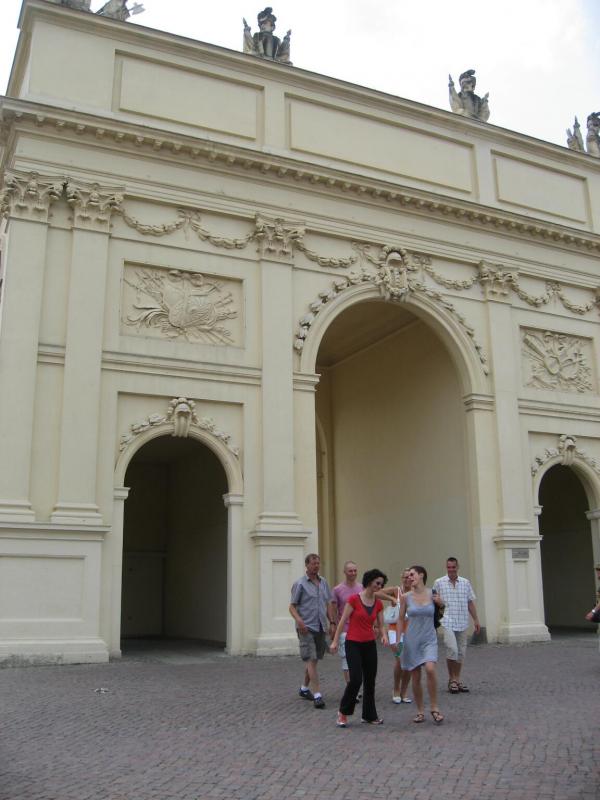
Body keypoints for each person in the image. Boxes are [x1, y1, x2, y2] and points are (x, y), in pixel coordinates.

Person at [330, 569, 389, 727]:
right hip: (353, 643)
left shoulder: (378, 603)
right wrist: (335, 641)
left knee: (370, 681)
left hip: (369, 644)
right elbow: (342, 621)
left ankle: (369, 715)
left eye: (382, 584)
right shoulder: (354, 599)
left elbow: (381, 624)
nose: (379, 586)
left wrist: (384, 635)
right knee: (356, 679)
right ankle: (343, 712)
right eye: (377, 583)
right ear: (369, 581)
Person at [289, 553, 336, 709]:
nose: (316, 566)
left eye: (318, 563)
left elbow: (328, 603)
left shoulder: (323, 582)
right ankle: (317, 695)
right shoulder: (300, 584)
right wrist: (299, 621)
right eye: (313, 563)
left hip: (321, 626)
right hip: (306, 628)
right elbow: (292, 607)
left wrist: (332, 622)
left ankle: (304, 689)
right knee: (311, 658)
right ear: (307, 565)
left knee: (314, 661)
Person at [399, 565, 444, 724]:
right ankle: (420, 711)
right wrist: (399, 639)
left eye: (412, 574)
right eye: (408, 576)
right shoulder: (405, 597)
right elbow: (400, 619)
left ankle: (434, 707)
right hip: (412, 639)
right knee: (416, 676)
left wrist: (441, 603)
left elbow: (441, 612)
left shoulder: (433, 593)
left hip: (429, 638)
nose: (409, 577)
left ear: (421, 575)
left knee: (430, 669)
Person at [433, 557, 480, 694]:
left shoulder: (465, 582)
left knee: (461, 652)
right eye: (449, 567)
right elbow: (433, 600)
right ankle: (452, 679)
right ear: (446, 567)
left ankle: (457, 679)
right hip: (447, 621)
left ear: (457, 567)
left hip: (462, 621)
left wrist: (476, 619)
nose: (451, 570)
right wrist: (438, 602)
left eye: (453, 567)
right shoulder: (439, 582)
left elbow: (470, 602)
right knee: (452, 649)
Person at [332, 561, 363, 685]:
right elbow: (334, 609)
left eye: (355, 570)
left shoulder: (362, 588)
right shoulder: (337, 589)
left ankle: (355, 685)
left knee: (359, 659)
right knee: (346, 659)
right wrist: (335, 625)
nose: (353, 573)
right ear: (344, 572)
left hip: (360, 629)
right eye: (350, 571)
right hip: (345, 629)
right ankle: (351, 687)